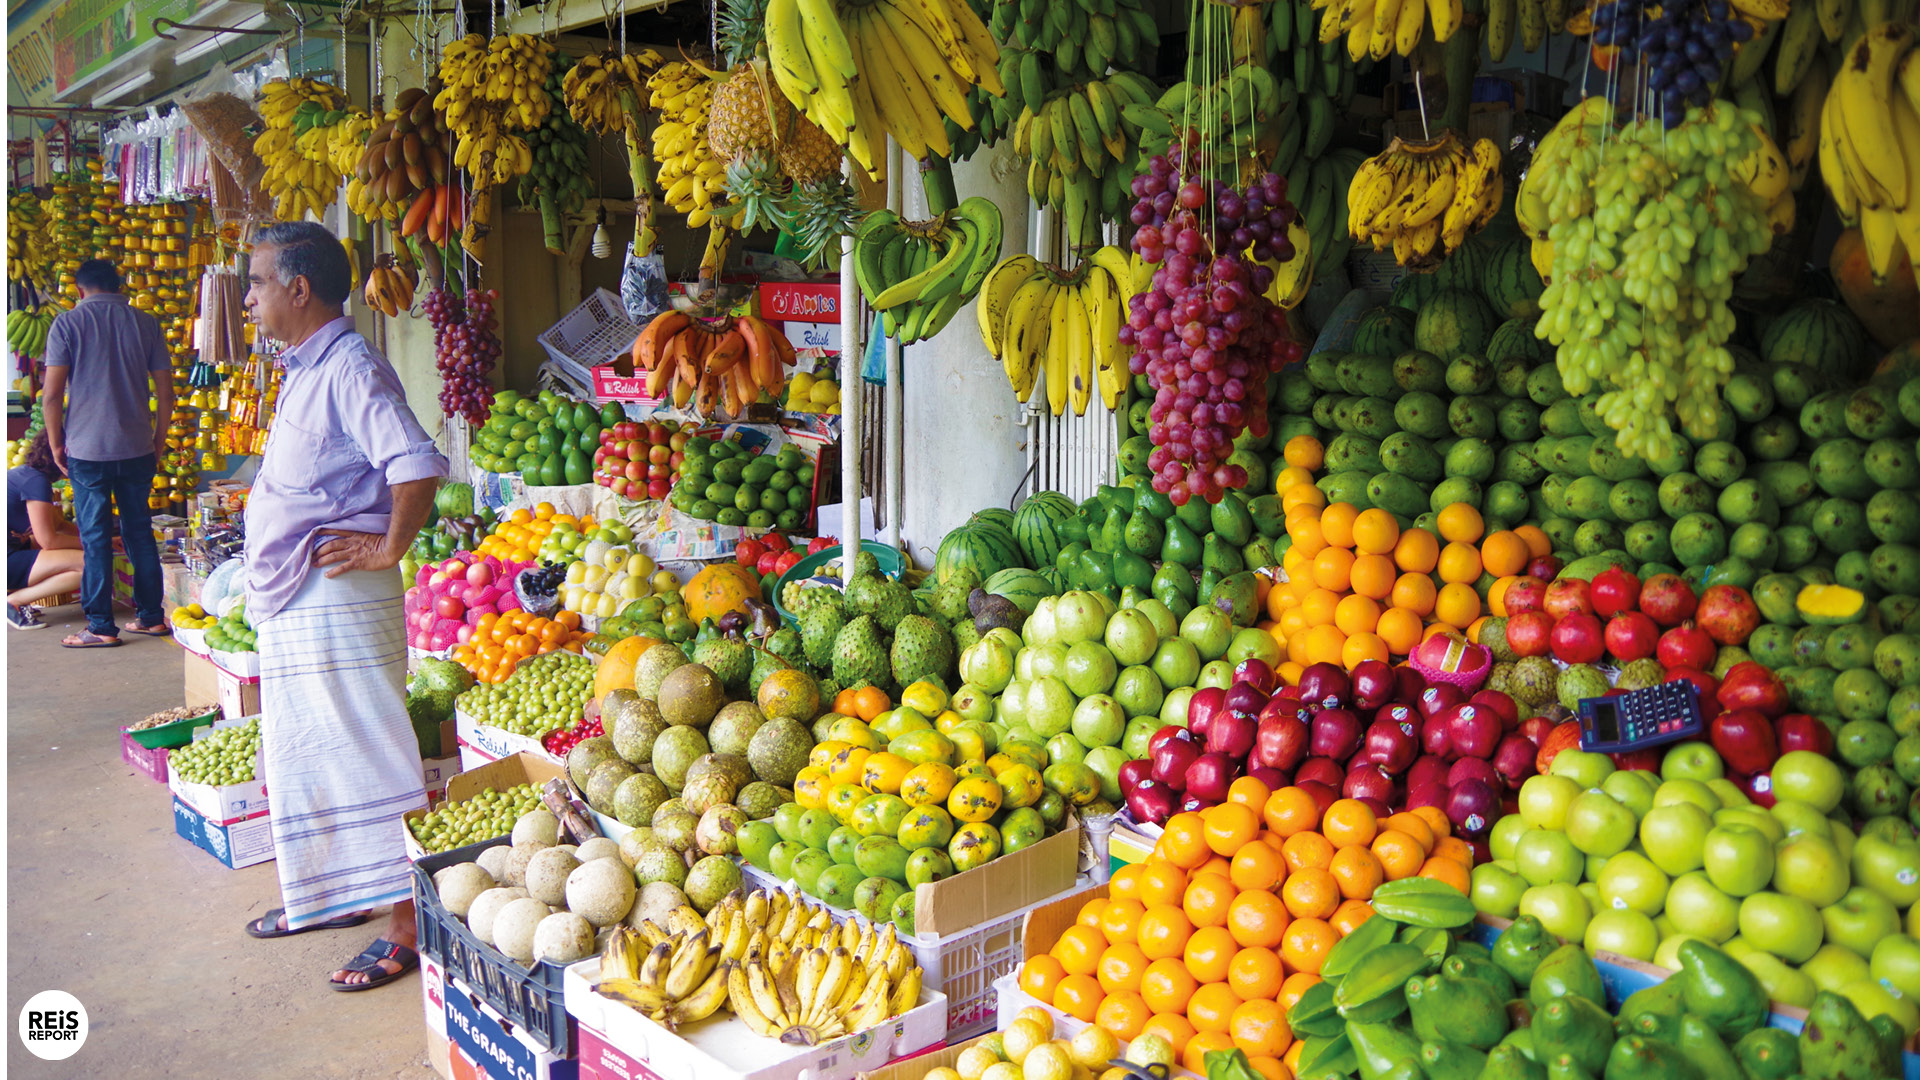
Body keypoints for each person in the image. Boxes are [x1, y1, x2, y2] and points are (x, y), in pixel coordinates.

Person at [238, 221, 448, 991]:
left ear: (299, 288)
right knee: (313, 753)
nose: (248, 297)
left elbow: (415, 462)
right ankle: (334, 896)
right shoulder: (308, 366)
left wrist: (388, 546)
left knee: (366, 754)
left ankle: (403, 922)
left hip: (338, 595)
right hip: (302, 594)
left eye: (257, 282)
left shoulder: (351, 367)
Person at [41, 257, 173, 648]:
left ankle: (100, 627)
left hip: (87, 449)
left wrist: (55, 443)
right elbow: (165, 393)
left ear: (80, 290)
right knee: (139, 533)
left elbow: (51, 394)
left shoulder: (67, 324)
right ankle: (151, 617)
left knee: (95, 537)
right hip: (136, 448)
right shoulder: (146, 323)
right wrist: (158, 439)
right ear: (120, 286)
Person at [7, 432, 86, 629]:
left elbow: (58, 525)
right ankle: (13, 602)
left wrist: (104, 539)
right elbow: (48, 541)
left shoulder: (25, 474)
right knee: (91, 563)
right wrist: (95, 544)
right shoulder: (36, 482)